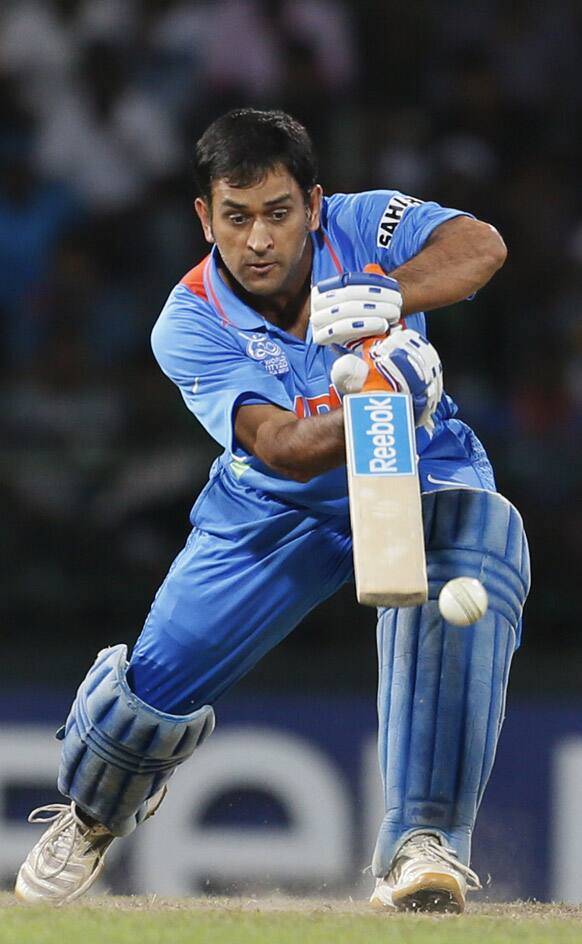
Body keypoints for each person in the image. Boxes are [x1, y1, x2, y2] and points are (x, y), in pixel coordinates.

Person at [15, 108, 530, 913]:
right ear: (205, 217)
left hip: (416, 471)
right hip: (274, 507)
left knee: (482, 539)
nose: (259, 240)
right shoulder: (188, 322)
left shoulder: (365, 224)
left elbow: (482, 247)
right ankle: (90, 814)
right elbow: (283, 446)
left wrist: (388, 297)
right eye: (237, 217)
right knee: (150, 690)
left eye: (279, 214)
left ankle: (422, 844)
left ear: (314, 205)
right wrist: (379, 402)